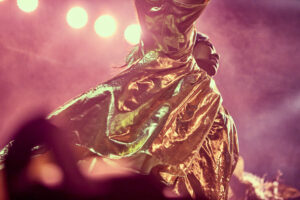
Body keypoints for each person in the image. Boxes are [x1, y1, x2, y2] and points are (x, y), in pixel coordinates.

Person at [1, 0, 239, 199]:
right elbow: (177, 10)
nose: (215, 54)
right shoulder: (174, 60)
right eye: (208, 46)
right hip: (127, 172)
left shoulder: (221, 116)